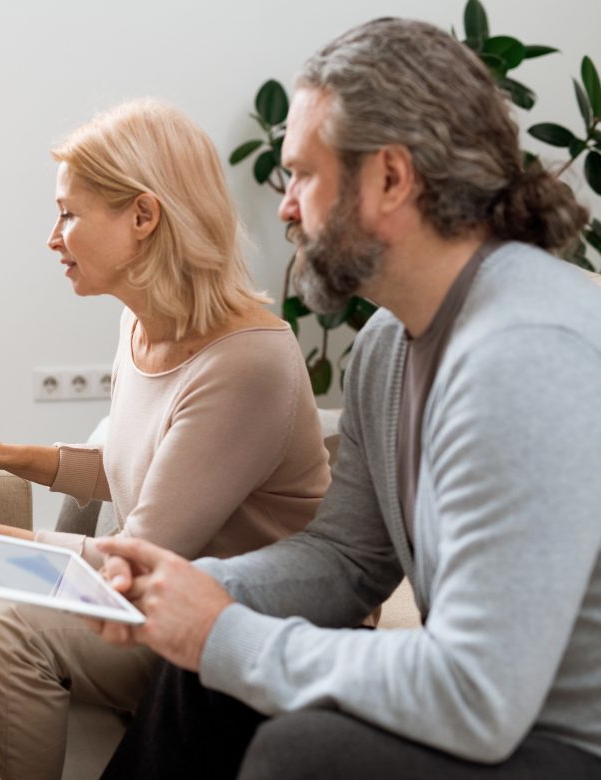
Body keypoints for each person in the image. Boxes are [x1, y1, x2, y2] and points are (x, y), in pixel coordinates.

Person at [92, 17, 601, 780]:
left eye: (302, 174)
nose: (286, 206)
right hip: (499, 710)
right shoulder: (386, 349)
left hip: (564, 740)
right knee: (209, 656)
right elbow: (345, 560)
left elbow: (476, 695)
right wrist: (195, 591)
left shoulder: (524, 354)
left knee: (301, 750)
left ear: (391, 179)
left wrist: (220, 632)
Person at [0, 99, 332, 780]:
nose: (52, 236)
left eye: (69, 213)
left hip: (226, 626)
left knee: (11, 627)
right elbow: (129, 470)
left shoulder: (244, 362)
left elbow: (139, 556)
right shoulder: (143, 324)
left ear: (143, 217)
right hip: (156, 591)